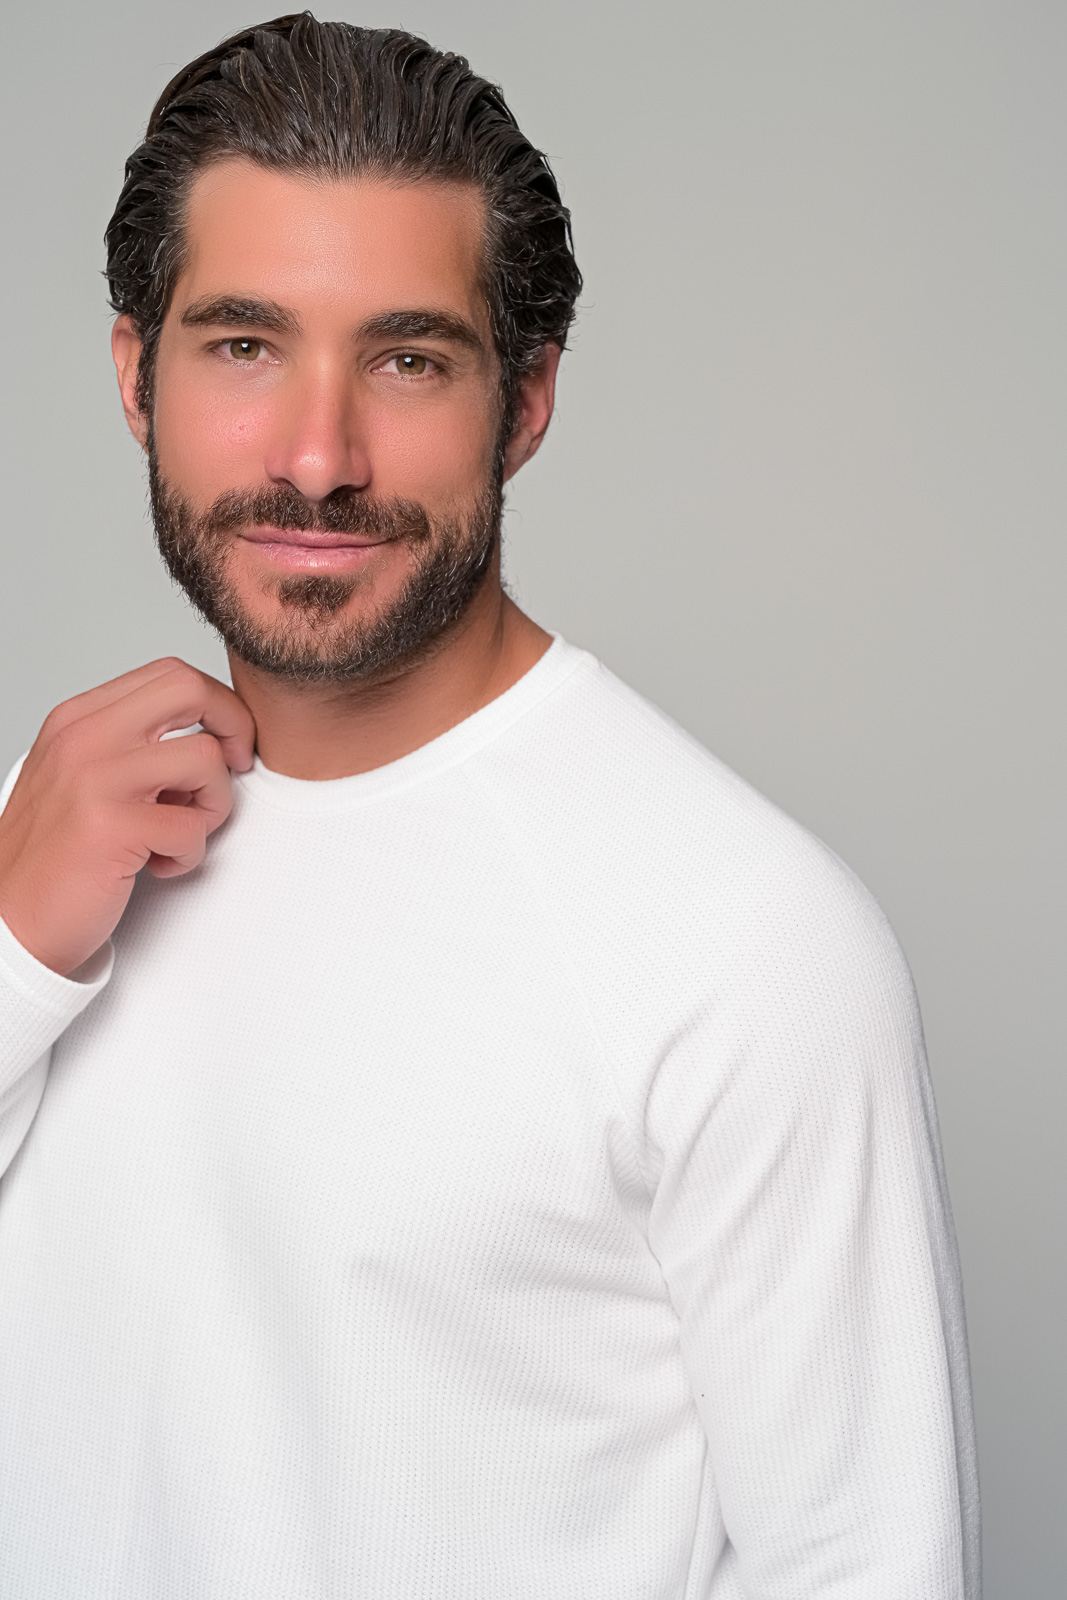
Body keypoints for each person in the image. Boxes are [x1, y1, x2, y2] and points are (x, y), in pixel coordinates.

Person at [0, 14, 978, 1598]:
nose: (318, 457)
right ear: (135, 378)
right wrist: (10, 949)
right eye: (245, 345)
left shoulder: (751, 946)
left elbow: (866, 1563)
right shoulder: (51, 837)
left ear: (523, 403)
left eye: (407, 359)